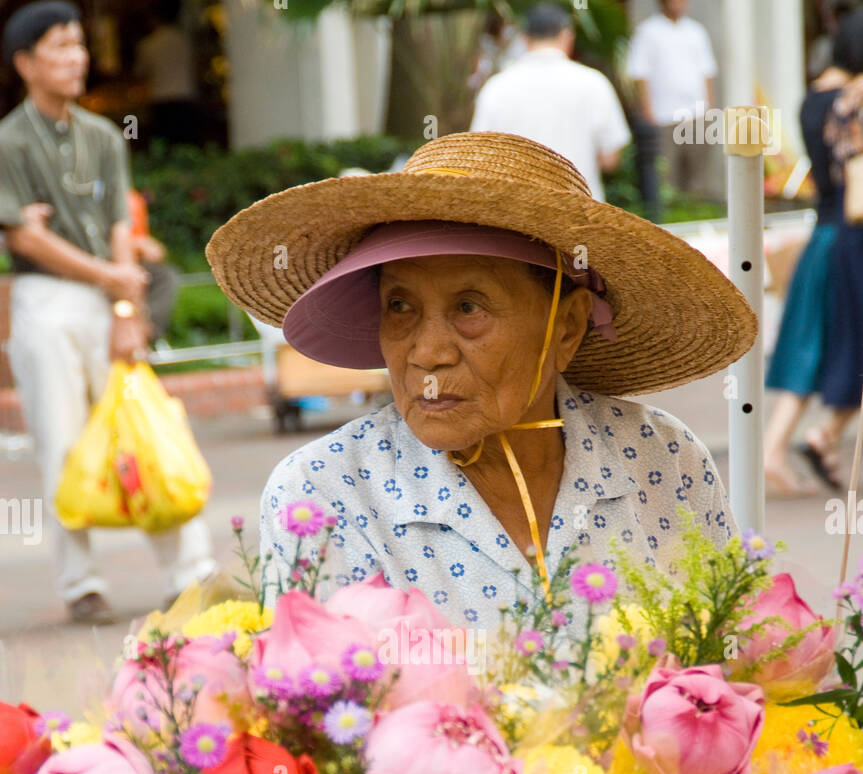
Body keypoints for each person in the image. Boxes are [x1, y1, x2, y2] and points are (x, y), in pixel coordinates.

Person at [207, 131, 756, 632]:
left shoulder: (661, 459)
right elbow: (321, 716)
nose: (427, 353)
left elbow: (730, 668)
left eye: (469, 307)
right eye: (399, 306)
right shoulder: (324, 492)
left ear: (566, 326)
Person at [0, 1, 214, 624]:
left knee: (142, 426)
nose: (75, 59)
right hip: (45, 302)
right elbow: (24, 238)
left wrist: (125, 304)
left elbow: (120, 223)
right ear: (24, 63)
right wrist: (111, 276)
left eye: (78, 46)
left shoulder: (101, 135)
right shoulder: (9, 140)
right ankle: (81, 584)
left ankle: (191, 570)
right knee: (61, 442)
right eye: (59, 48)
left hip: (105, 300)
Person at [763, 25, 858, 497]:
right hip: (845, 232)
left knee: (808, 342)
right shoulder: (851, 102)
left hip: (821, 230)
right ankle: (787, 446)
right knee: (823, 344)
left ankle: (782, 447)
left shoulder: (810, 98)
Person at [470, 4, 629, 202]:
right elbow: (610, 160)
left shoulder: (496, 88)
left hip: (516, 216)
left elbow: (480, 162)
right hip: (582, 213)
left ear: (525, 39)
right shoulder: (594, 83)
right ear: (567, 36)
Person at [626, 0, 718, 202]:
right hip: (663, 116)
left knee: (697, 178)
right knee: (666, 179)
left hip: (696, 115)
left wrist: (708, 108)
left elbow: (707, 71)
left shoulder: (696, 31)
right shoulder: (648, 32)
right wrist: (648, 113)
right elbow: (639, 74)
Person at [134, 0, 199, 147]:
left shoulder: (148, 44)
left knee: (164, 150)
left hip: (161, 102)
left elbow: (141, 74)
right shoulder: (186, 40)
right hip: (186, 99)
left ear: (154, 17)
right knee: (187, 148)